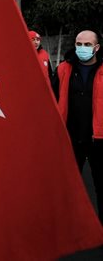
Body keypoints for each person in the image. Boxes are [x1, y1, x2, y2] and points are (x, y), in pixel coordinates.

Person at [52, 29, 103, 222]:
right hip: (70, 138)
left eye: (87, 45)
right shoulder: (64, 69)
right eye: (79, 44)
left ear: (96, 48)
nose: (82, 48)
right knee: (66, 186)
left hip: (98, 139)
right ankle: (64, 229)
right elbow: (52, 97)